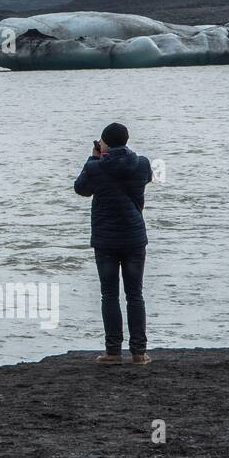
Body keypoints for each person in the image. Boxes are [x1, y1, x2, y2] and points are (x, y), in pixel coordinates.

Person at [74, 122, 153, 364]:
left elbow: (81, 189)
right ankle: (139, 353)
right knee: (135, 295)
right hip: (134, 237)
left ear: (104, 142)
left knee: (109, 295)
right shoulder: (142, 164)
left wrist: (94, 157)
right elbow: (145, 179)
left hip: (106, 240)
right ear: (127, 141)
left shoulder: (96, 167)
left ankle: (113, 352)